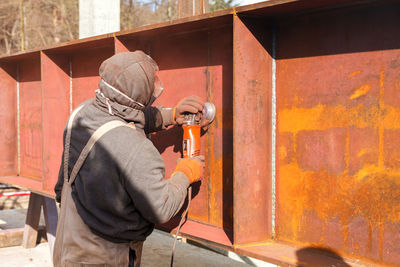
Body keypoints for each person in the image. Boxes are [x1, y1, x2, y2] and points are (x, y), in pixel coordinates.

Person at [53, 51, 205, 267]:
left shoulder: (81, 113)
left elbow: (120, 114)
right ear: (139, 96)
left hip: (68, 242)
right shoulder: (137, 147)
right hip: (106, 256)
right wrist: (185, 173)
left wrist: (170, 115)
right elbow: (160, 208)